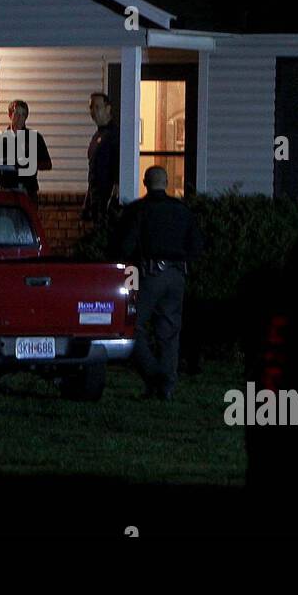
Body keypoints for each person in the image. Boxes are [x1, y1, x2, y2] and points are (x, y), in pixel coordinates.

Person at [113, 165, 204, 400]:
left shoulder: (138, 210)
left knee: (131, 325)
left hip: (149, 274)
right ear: (166, 183)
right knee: (169, 332)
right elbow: (196, 246)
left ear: (145, 182)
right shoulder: (182, 211)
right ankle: (166, 387)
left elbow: (125, 246)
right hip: (177, 275)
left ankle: (154, 375)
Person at [0, 99, 52, 197]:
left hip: (28, 190)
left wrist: (29, 162)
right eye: (17, 113)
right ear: (10, 115)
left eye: (23, 114)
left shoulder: (35, 138)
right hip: (7, 190)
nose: (20, 118)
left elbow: (47, 164)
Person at [82, 92, 119, 222]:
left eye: (97, 107)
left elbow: (118, 168)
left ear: (108, 108)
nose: (93, 111)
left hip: (107, 199)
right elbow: (93, 170)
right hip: (96, 198)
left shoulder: (114, 135)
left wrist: (113, 197)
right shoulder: (97, 135)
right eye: (91, 107)